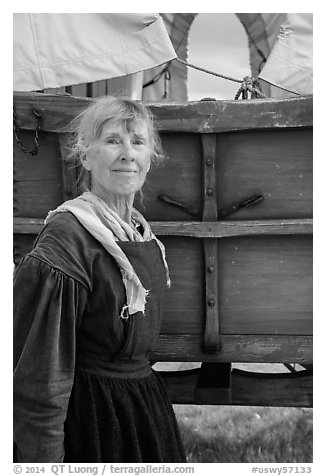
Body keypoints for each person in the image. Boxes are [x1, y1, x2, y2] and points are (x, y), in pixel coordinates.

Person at [13, 96, 187, 463]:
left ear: (150, 158)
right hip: (89, 420)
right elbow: (40, 378)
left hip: (140, 411)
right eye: (112, 141)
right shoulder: (67, 239)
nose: (127, 154)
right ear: (85, 155)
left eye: (137, 142)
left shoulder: (141, 235)